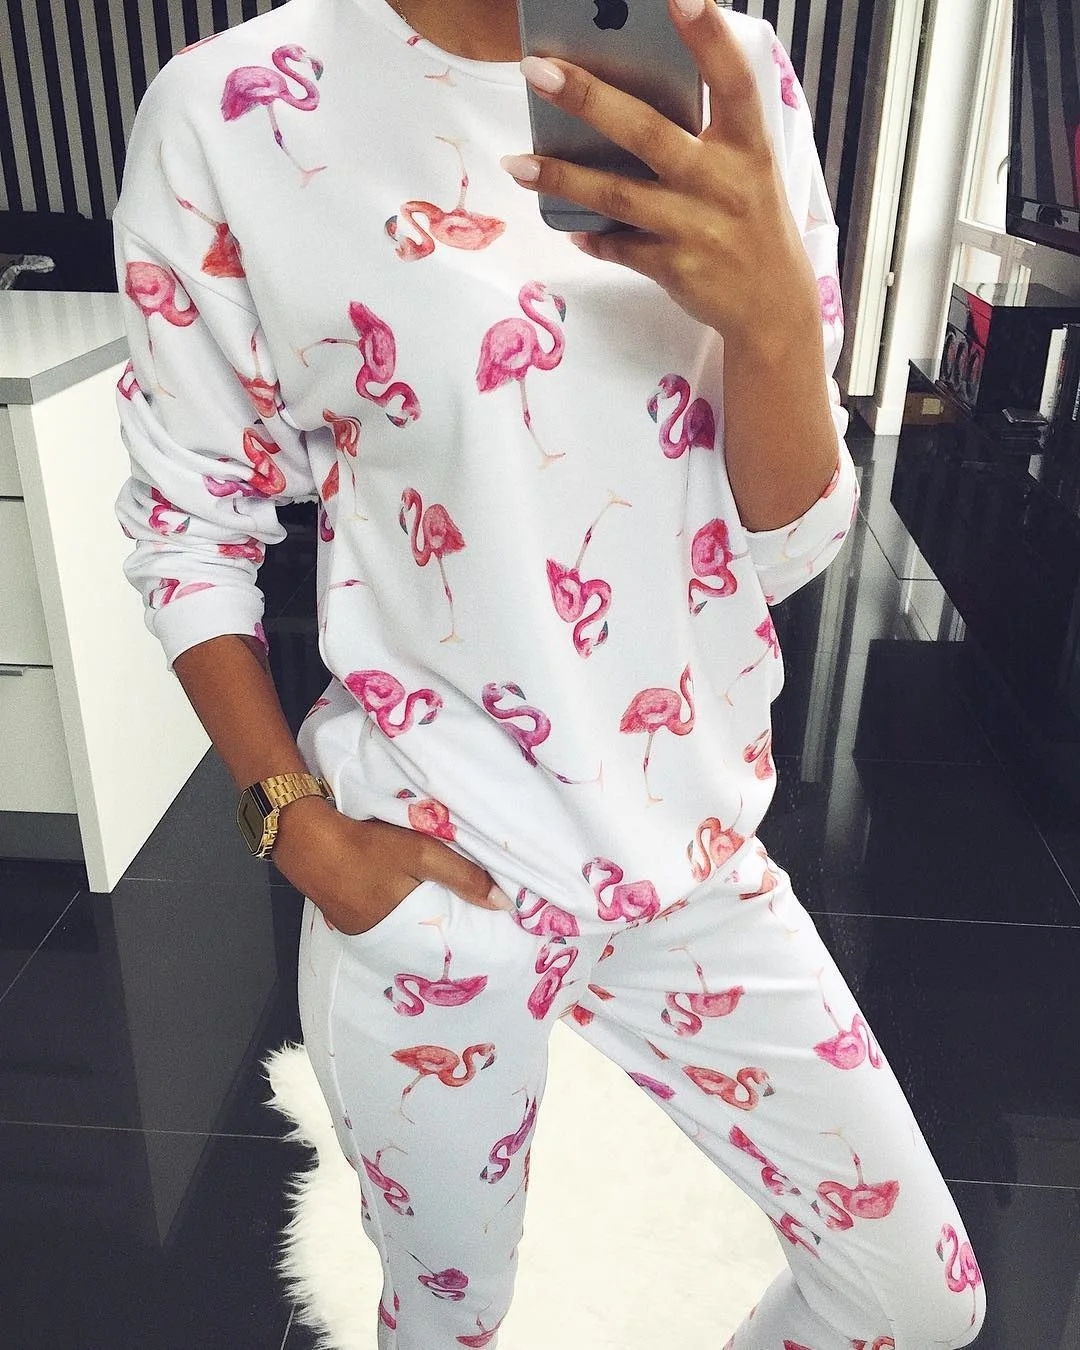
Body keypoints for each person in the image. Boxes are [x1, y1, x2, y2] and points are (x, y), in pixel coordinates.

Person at [112, 1, 987, 1346]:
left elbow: (790, 544)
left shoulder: (733, 71)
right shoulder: (236, 107)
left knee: (916, 1298)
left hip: (691, 854)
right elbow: (189, 524)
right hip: (434, 871)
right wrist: (299, 830)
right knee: (448, 1315)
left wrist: (771, 326)